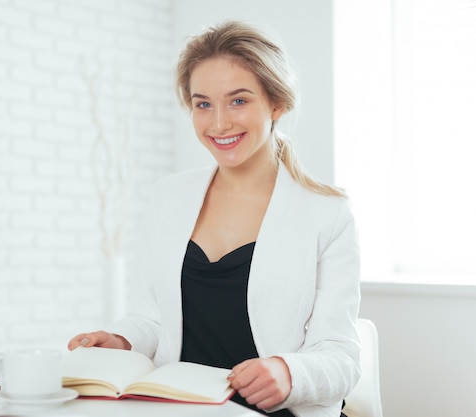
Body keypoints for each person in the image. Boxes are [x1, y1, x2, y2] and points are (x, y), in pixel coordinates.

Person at [68, 20, 361, 417]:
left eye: (238, 101)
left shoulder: (327, 213)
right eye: (203, 103)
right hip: (180, 407)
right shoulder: (168, 197)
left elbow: (341, 356)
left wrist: (288, 373)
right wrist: (119, 340)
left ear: (277, 103)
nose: (219, 123)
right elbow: (152, 320)